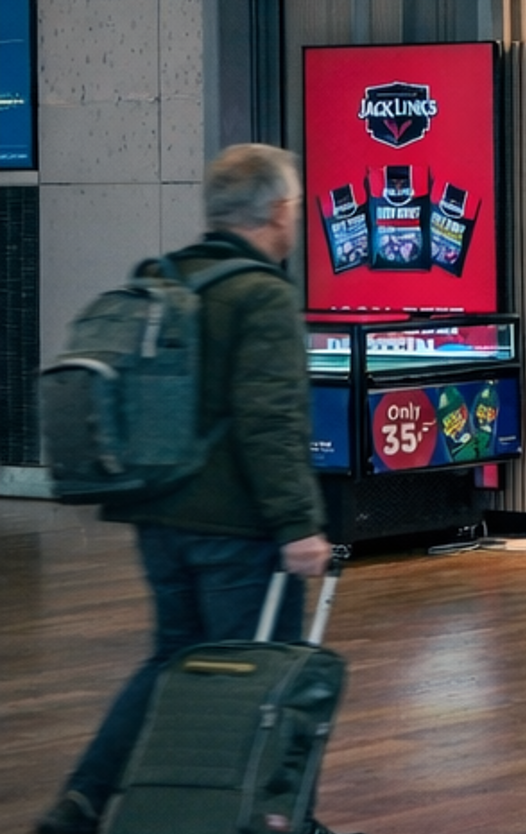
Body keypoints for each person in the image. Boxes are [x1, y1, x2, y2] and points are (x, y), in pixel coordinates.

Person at [39, 144, 332, 834]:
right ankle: (277, 815)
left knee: (172, 662)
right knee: (265, 675)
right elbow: (270, 420)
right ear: (279, 211)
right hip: (237, 533)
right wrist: (297, 524)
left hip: (159, 514)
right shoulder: (261, 295)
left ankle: (84, 799)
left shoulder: (168, 279)